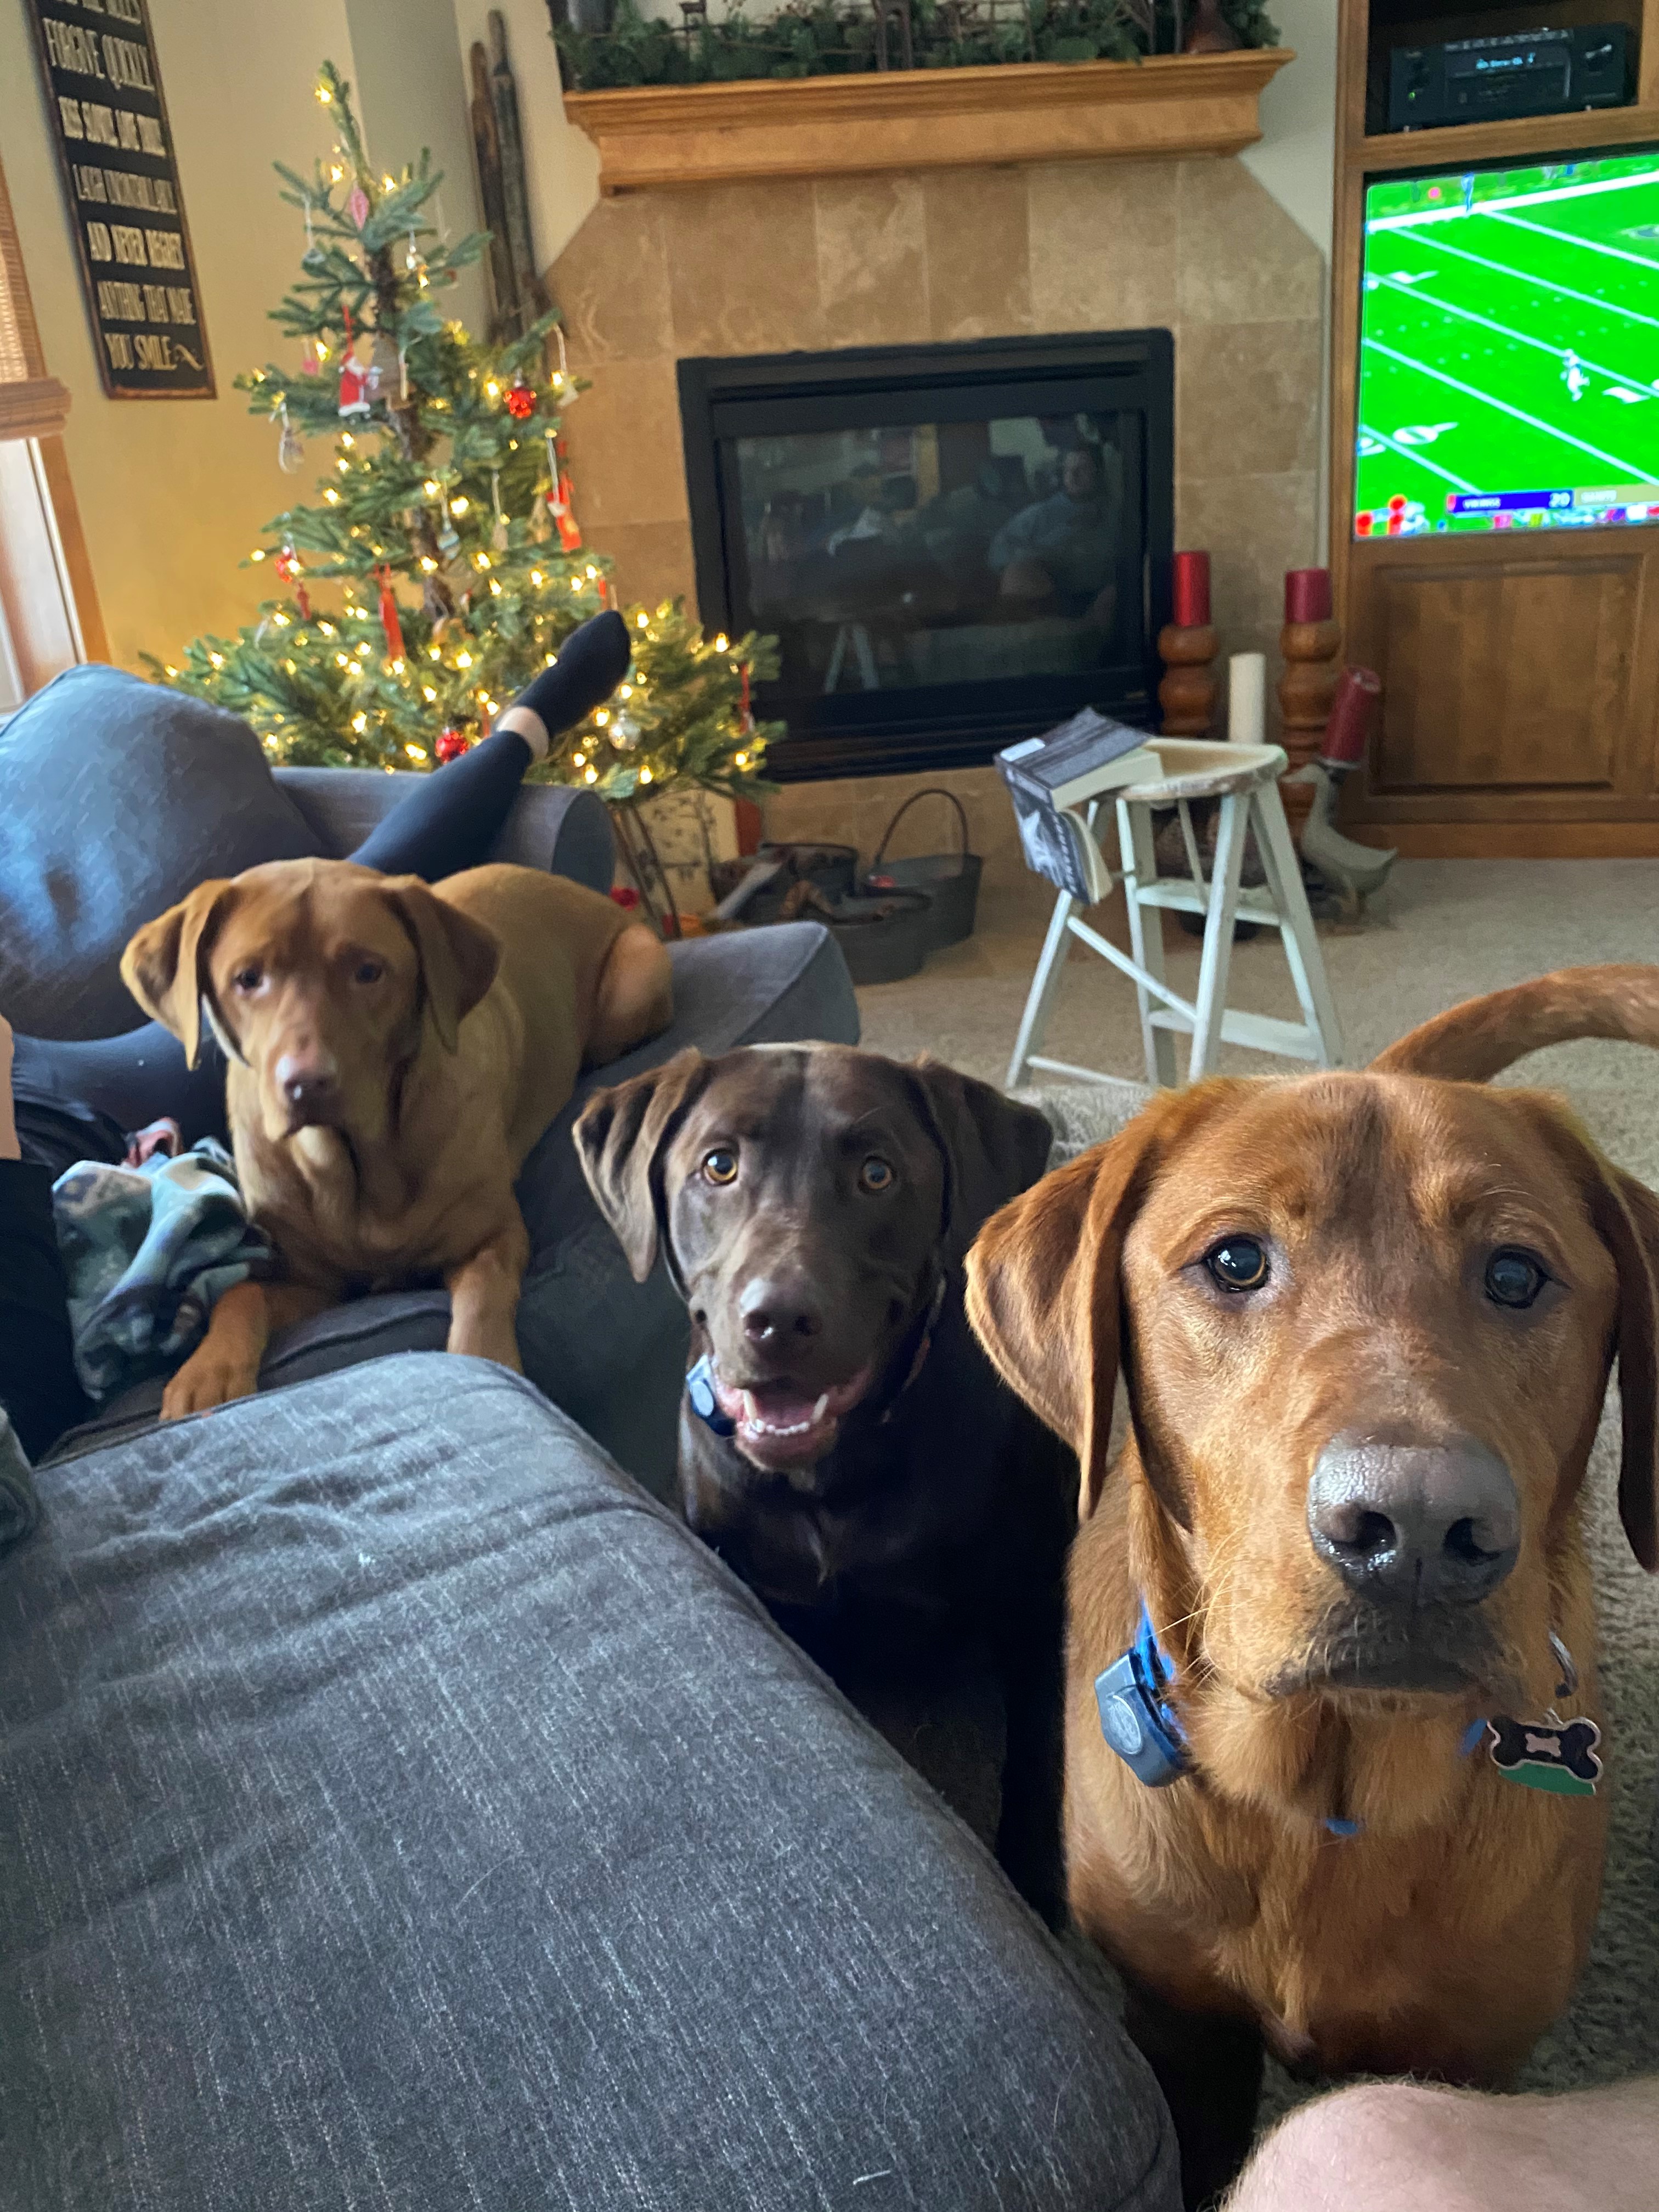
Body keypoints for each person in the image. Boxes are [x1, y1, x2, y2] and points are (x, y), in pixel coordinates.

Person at [0, 608, 631, 1466]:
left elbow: (489, 1234)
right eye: (248, 982)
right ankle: (522, 731)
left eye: (367, 975)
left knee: (387, 915)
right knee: (357, 910)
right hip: (109, 1103)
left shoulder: (443, 1043)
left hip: (39, 1090)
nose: (309, 1055)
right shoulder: (247, 1077)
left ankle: (521, 733)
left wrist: (483, 1309)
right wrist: (237, 1325)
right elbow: (292, 1281)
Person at [988, 443, 1120, 624]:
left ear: (1098, 473)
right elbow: (999, 552)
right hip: (1045, 600)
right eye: (1068, 470)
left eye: (1082, 469)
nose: (1073, 476)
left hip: (1098, 600)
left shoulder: (1115, 516)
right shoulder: (1039, 514)